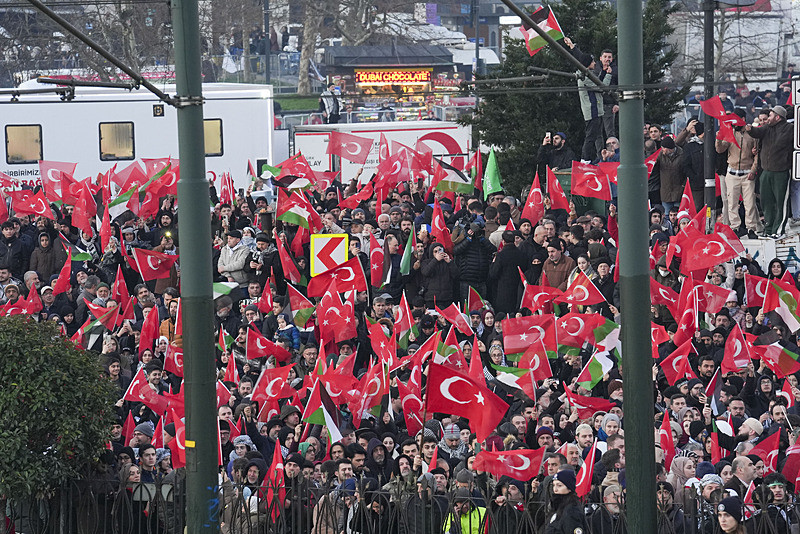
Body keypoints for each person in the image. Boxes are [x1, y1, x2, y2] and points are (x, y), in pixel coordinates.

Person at [745, 105, 793, 237]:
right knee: (766, 201)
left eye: (770, 115)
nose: (768, 118)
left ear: (778, 117)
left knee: (780, 202)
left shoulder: (789, 129)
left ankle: (779, 230)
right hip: (766, 170)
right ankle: (769, 228)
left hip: (781, 171)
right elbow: (757, 132)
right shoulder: (767, 128)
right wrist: (750, 129)